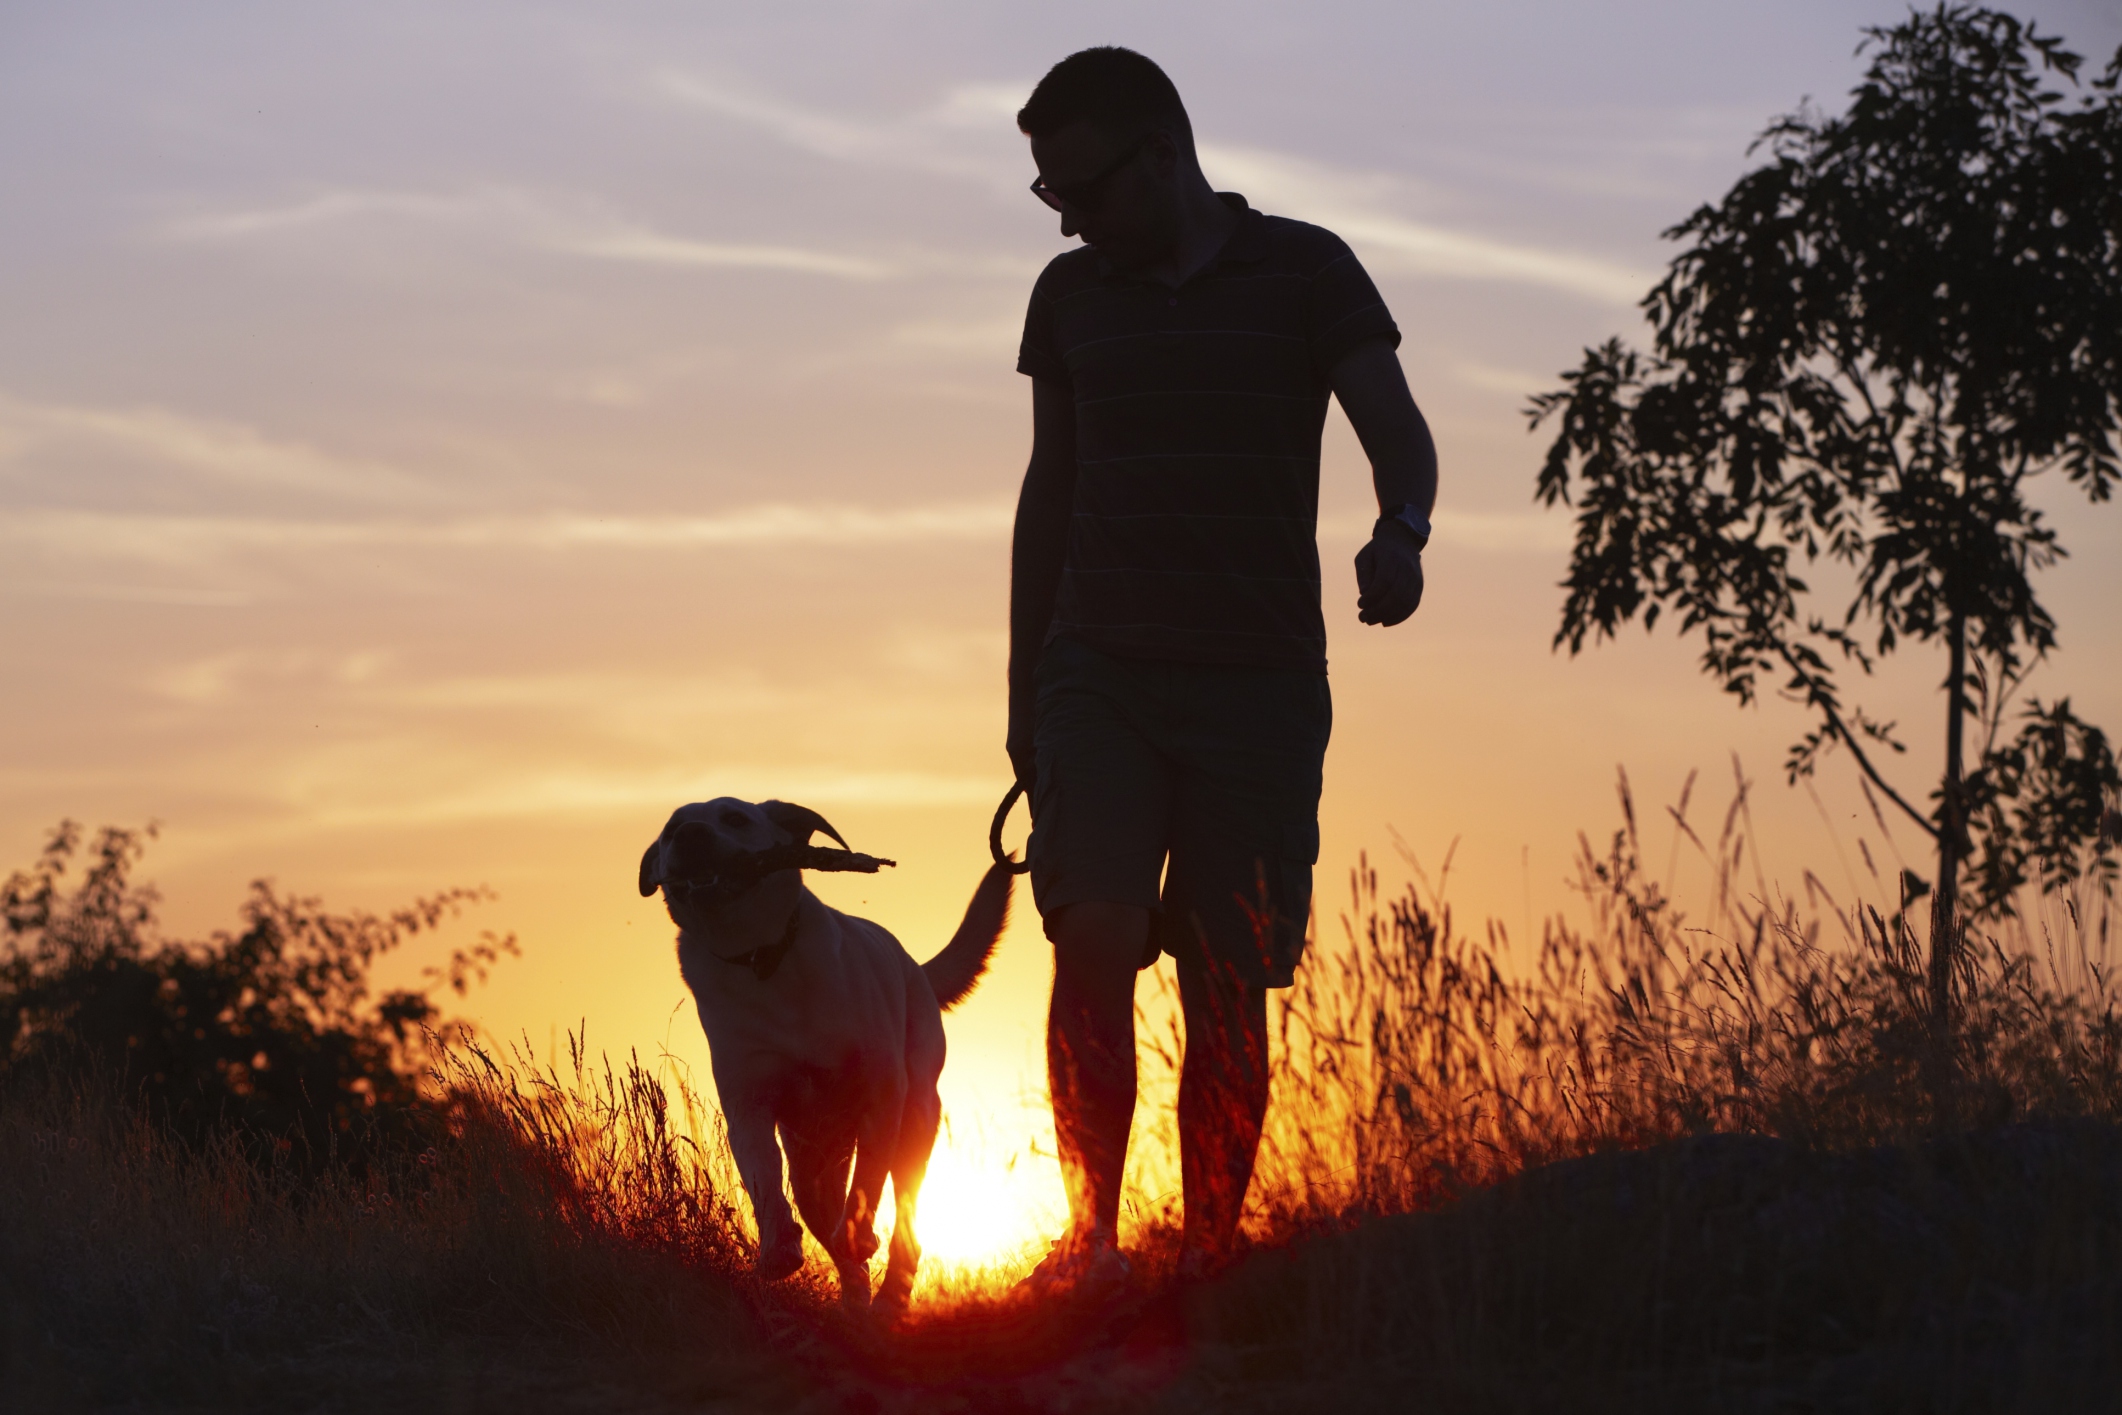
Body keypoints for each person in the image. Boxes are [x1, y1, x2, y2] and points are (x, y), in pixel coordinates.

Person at [1007, 47, 1438, 1296]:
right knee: (1087, 928)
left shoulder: (1307, 268)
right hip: (1096, 671)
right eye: (1047, 195)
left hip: (1255, 683)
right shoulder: (1068, 295)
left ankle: (1207, 1259)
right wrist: (1024, 697)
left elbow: (1395, 426)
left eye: (1077, 185)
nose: (1065, 215)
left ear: (1159, 151)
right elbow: (1051, 491)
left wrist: (1400, 529)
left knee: (1224, 970)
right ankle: (1089, 1243)